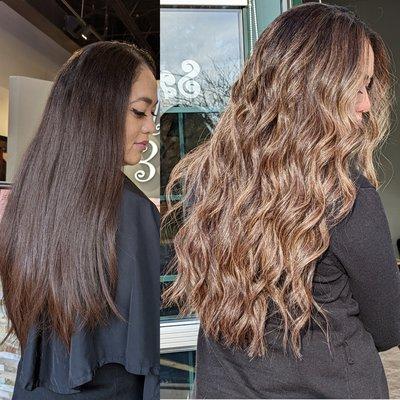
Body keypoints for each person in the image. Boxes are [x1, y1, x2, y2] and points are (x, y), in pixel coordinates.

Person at [162, 3, 400, 399]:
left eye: (368, 86)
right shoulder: (348, 198)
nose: (366, 104)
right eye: (356, 87)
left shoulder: (204, 184)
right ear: (313, 91)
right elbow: (389, 328)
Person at [0, 41, 160, 400]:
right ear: (96, 111)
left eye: (152, 113)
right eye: (139, 112)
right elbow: (148, 363)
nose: (151, 127)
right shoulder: (134, 213)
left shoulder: (30, 197)